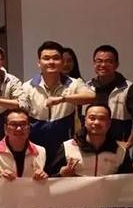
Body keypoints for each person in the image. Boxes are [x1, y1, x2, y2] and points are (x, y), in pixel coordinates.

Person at [23, 41, 95, 170]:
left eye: (56, 58)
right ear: (39, 63)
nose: (51, 62)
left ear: (62, 62)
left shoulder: (74, 83)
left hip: (64, 145)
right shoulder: (27, 86)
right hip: (35, 145)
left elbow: (90, 96)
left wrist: (63, 99)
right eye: (46, 58)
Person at [85, 45, 133, 148]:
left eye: (109, 61)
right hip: (89, 147)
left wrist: (129, 143)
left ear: (116, 64)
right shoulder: (86, 88)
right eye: (99, 61)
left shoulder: (128, 88)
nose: (103, 65)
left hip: (116, 148)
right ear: (94, 63)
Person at [51, 103, 131, 177]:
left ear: (109, 122)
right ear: (85, 120)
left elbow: (128, 182)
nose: (96, 122)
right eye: (92, 118)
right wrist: (61, 173)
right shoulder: (68, 147)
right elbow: (50, 177)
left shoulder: (121, 152)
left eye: (102, 118)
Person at [0, 108, 48, 181]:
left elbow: (51, 182)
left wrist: (45, 178)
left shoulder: (42, 152)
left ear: (29, 127)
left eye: (23, 124)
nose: (19, 129)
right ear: (5, 128)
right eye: (13, 124)